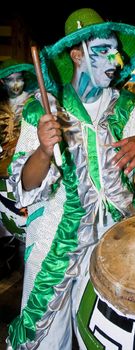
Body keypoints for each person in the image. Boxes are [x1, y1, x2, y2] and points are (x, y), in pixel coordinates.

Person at [7, 8, 135, 349]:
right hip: (53, 244)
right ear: (76, 54)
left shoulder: (126, 106)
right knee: (46, 340)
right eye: (103, 50)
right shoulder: (42, 109)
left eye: (116, 50)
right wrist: (43, 151)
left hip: (117, 244)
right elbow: (24, 187)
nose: (115, 59)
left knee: (112, 337)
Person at [0, 60, 37, 278]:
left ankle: (28, 273)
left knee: (30, 224)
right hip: (3, 173)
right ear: (2, 81)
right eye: (11, 80)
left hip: (29, 171)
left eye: (19, 79)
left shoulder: (34, 103)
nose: (16, 85)